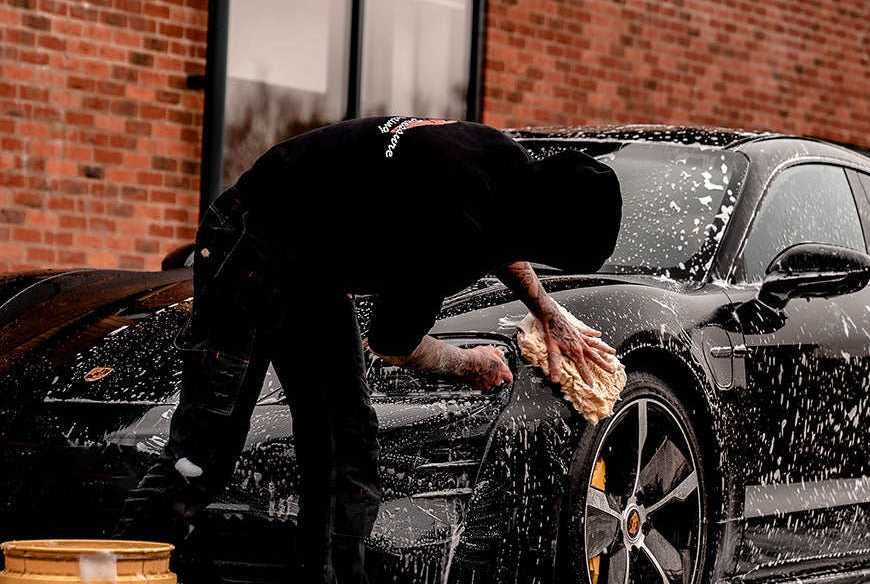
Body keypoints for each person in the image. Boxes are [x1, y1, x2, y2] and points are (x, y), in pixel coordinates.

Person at [113, 117, 624, 584]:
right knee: (202, 455)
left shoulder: (500, 159)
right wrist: (470, 364)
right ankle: (107, 572)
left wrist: (546, 310)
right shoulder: (451, 229)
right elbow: (392, 344)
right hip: (249, 245)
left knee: (344, 451)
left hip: (312, 266)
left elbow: (501, 230)